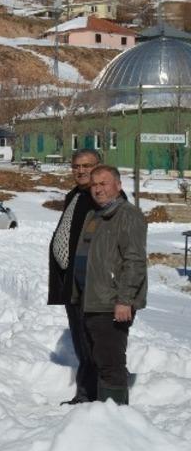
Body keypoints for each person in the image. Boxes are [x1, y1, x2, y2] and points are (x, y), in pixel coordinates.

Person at [71, 164, 147, 405]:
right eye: (94, 184)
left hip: (112, 301)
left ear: (118, 185)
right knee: (94, 358)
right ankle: (96, 410)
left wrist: (125, 299)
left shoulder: (128, 215)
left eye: (104, 183)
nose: (98, 189)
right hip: (90, 299)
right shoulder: (94, 215)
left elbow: (134, 260)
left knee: (110, 361)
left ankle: (114, 415)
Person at [47, 148, 102, 404]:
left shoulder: (102, 196)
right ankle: (85, 392)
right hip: (71, 281)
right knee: (80, 338)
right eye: (76, 166)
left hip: (90, 281)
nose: (81, 171)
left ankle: (93, 396)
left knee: (92, 340)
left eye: (87, 166)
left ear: (98, 166)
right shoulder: (75, 195)